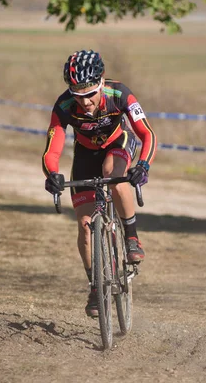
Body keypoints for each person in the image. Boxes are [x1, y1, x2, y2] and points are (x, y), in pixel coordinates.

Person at [42, 49, 157, 317]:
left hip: (118, 144)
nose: (84, 102)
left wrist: (143, 165)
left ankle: (130, 237)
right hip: (85, 154)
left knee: (115, 177)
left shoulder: (120, 94)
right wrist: (52, 174)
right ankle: (95, 284)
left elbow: (147, 134)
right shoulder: (64, 106)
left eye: (89, 94)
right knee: (84, 226)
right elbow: (52, 150)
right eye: (77, 95)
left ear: (101, 82)